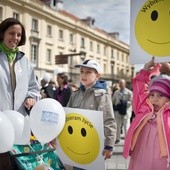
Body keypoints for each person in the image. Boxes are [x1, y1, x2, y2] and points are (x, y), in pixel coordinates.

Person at [0, 18, 40, 169]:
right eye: (11, 33)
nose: (15, 38)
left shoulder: (25, 61)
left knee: (19, 162)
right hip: (0, 122)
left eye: (18, 34)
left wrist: (31, 97)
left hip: (20, 122)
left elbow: (33, 87)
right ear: (2, 33)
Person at [67, 59, 116, 169]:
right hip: (76, 143)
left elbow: (108, 120)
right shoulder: (75, 94)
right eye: (81, 72)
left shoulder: (102, 95)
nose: (84, 75)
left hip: (93, 145)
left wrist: (109, 145)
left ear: (97, 75)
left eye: (88, 72)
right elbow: (67, 118)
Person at [123, 57, 170, 170]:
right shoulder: (144, 108)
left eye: (161, 95)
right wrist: (145, 69)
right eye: (152, 95)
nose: (154, 99)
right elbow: (139, 87)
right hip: (140, 157)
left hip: (162, 162)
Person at [112, 79, 132, 144]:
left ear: (125, 84)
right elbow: (113, 101)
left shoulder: (129, 92)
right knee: (117, 126)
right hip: (118, 112)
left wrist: (124, 103)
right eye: (120, 83)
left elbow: (132, 101)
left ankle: (127, 139)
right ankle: (117, 138)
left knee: (126, 127)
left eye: (122, 83)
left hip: (126, 112)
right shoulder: (116, 92)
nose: (121, 85)